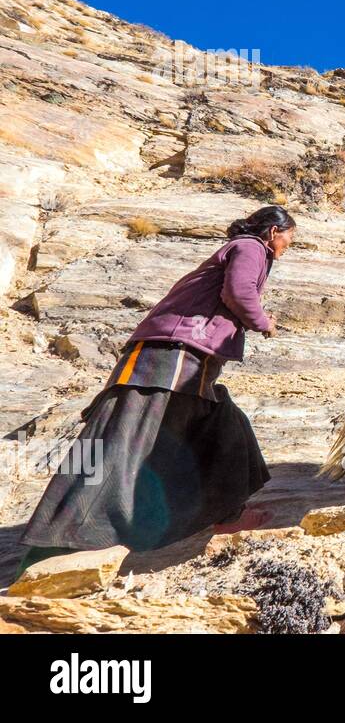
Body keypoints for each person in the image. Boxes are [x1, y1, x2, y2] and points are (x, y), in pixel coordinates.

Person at [13, 205, 296, 579]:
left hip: (187, 362)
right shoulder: (250, 247)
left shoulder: (245, 249)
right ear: (274, 231)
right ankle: (55, 544)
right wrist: (264, 322)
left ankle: (226, 514)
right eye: (291, 236)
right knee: (119, 443)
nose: (290, 244)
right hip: (168, 359)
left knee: (221, 425)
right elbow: (239, 292)